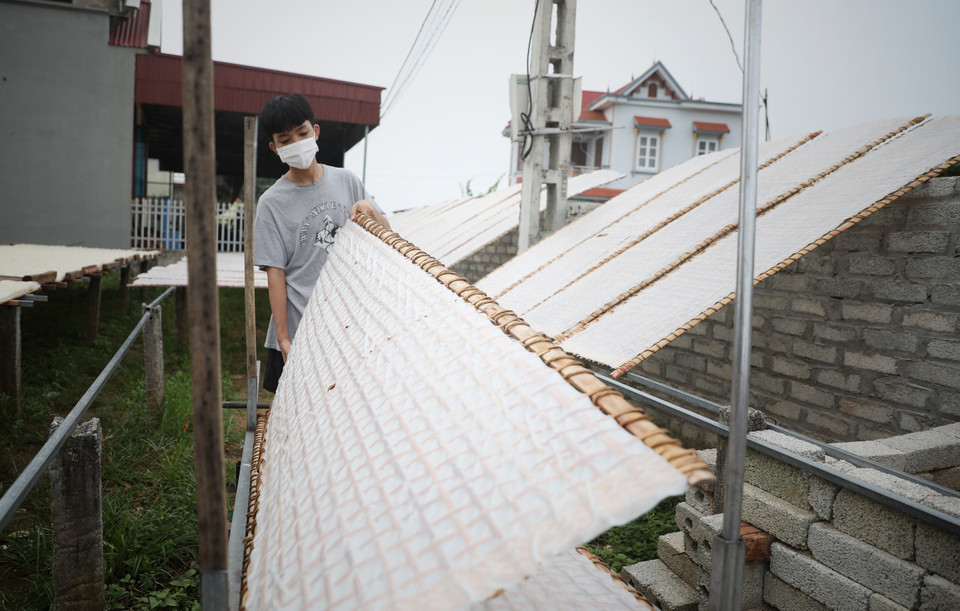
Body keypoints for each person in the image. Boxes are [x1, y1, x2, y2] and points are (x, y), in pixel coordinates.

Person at [254, 93, 391, 393]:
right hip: (299, 329)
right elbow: (275, 273)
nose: (296, 143)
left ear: (315, 132)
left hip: (346, 327)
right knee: (294, 417)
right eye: (285, 139)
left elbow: (388, 235)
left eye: (302, 133)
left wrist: (369, 209)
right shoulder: (271, 203)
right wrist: (284, 338)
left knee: (344, 410)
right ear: (274, 148)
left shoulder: (347, 181)